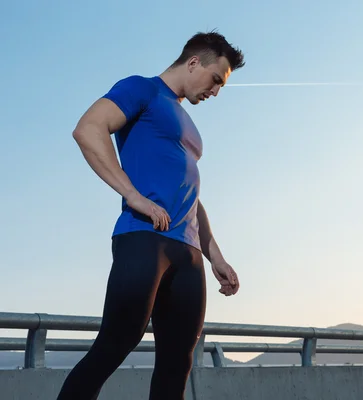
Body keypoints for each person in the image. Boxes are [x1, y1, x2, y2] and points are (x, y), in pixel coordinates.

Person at [56, 31, 245, 400]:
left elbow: (189, 194)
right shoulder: (141, 89)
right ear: (194, 62)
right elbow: (88, 129)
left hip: (189, 253)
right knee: (115, 344)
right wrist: (131, 194)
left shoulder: (187, 123)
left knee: (178, 363)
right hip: (145, 238)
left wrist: (215, 255)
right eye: (216, 80)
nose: (215, 92)